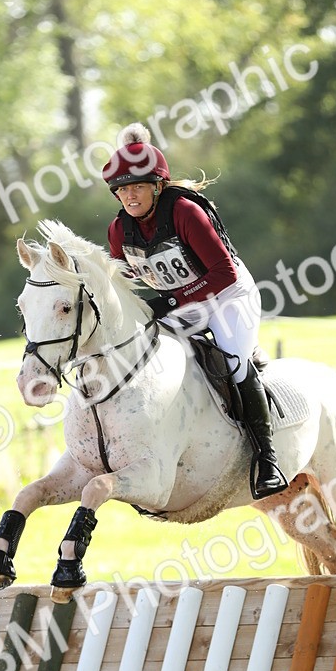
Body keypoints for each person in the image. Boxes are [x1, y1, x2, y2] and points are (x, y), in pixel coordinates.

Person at [102, 122, 287, 498]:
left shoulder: (186, 212)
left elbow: (223, 272)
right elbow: (119, 285)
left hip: (228, 296)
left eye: (137, 187)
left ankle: (268, 460)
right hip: (182, 303)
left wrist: (169, 300)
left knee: (234, 362)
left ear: (157, 186)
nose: (129, 197)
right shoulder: (119, 231)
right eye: (122, 190)